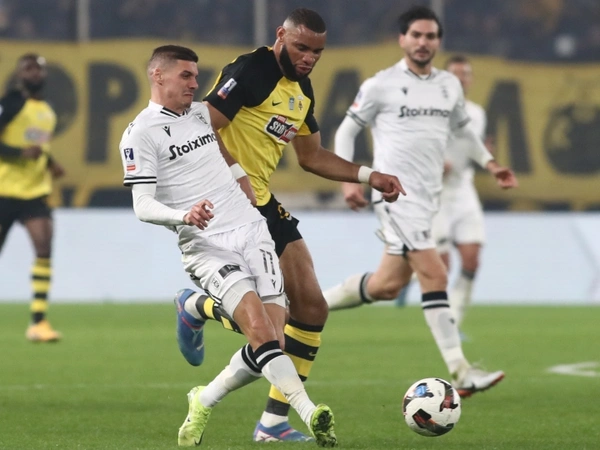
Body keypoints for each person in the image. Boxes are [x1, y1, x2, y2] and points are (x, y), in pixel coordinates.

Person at [171, 8, 403, 442]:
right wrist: (236, 174)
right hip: (223, 205)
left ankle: (273, 422)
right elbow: (201, 128)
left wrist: (369, 175)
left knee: (311, 308)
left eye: (317, 52)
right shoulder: (251, 70)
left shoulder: (302, 90)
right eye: (301, 48)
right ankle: (196, 307)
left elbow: (311, 157)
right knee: (268, 334)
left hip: (261, 202)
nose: (309, 58)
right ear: (281, 35)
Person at [119, 45, 338, 448]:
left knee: (273, 339)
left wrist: (239, 176)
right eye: (185, 75)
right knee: (260, 330)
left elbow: (218, 146)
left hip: (252, 230)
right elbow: (142, 205)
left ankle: (203, 398)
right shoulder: (140, 133)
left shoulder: (201, 115)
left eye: (195, 74)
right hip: (207, 244)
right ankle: (309, 413)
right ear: (158, 76)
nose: (195, 82)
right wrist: (183, 215)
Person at [323, 6, 518, 398]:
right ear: (402, 39)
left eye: (430, 36)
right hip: (394, 197)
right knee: (435, 274)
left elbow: (465, 131)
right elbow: (346, 131)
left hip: (428, 201)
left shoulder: (448, 86)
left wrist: (491, 163)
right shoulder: (381, 85)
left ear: (438, 42)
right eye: (416, 35)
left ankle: (304, 306)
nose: (423, 42)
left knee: (386, 286)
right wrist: (349, 181)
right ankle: (461, 372)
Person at [0, 53, 65, 342]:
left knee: (44, 249)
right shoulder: (10, 104)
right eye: (28, 68)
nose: (34, 73)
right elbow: (22, 147)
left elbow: (38, 145)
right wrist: (19, 153)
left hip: (34, 192)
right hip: (3, 191)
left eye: (38, 69)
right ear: (19, 74)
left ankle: (38, 322)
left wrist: (50, 163)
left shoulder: (47, 111)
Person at [431, 54, 494, 329]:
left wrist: (485, 156)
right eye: (455, 74)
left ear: (471, 79)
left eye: (465, 74)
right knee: (442, 266)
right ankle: (441, 319)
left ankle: (455, 316)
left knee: (472, 259)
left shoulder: (477, 114)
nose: (461, 79)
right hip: (435, 192)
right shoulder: (429, 111)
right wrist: (435, 164)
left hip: (463, 188)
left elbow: (471, 151)